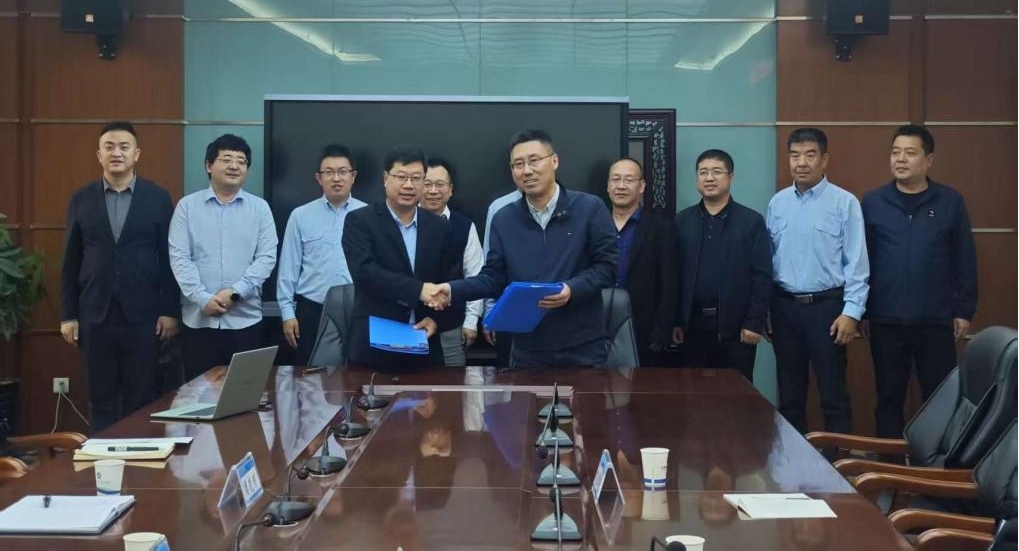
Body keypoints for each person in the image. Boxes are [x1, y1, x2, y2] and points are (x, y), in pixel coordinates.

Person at [430, 129, 617, 368]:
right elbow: (493, 277)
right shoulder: (504, 219)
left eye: (534, 160)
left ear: (554, 161)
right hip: (528, 349)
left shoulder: (589, 208)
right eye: (518, 164)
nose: (526, 170)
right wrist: (451, 289)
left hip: (583, 346)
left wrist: (571, 289)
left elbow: (608, 267)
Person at [59, 121, 179, 433]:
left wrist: (169, 310)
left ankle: (139, 459)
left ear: (136, 154)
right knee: (101, 399)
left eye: (124, 147)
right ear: (99, 155)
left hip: (144, 316)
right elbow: (71, 261)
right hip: (94, 314)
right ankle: (103, 458)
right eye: (109, 147)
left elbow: (169, 259)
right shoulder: (81, 199)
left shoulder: (157, 198)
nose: (116, 153)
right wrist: (69, 315)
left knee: (142, 397)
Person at [861, 124, 978, 439]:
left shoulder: (949, 201)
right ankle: (888, 465)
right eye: (895, 152)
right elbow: (862, 262)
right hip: (886, 320)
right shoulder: (873, 202)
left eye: (910, 153)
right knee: (888, 399)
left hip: (935, 320)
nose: (900, 159)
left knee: (940, 400)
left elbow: (965, 258)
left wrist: (964, 310)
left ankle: (935, 465)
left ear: (928, 160)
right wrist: (863, 311)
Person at [766, 127, 869, 435]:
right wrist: (766, 310)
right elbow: (769, 260)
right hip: (784, 308)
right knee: (789, 397)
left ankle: (838, 461)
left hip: (828, 310)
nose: (801, 163)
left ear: (824, 160)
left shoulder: (844, 202)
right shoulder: (778, 203)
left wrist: (852, 312)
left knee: (833, 396)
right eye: (795, 155)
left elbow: (857, 263)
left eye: (810, 155)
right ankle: (791, 461)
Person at [341, 146, 462, 369]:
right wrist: (418, 290)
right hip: (374, 350)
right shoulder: (360, 221)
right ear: (386, 178)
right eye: (401, 177)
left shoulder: (440, 228)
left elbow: (453, 282)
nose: (408, 185)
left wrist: (437, 320)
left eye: (416, 178)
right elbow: (364, 273)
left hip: (425, 348)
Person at [168, 134, 277, 380]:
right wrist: (202, 298)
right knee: (199, 395)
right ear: (208, 165)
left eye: (241, 161)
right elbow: (180, 257)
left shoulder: (260, 209)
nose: (234, 166)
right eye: (226, 159)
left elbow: (266, 258)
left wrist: (236, 293)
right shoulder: (187, 207)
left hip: (246, 321)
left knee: (245, 394)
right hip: (199, 321)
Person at [674, 149, 772, 381]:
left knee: (735, 396)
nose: (709, 178)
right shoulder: (682, 221)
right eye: (703, 172)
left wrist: (754, 322)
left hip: (736, 329)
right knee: (692, 395)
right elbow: (674, 276)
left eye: (716, 172)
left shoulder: (751, 221)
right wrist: (676, 321)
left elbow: (762, 276)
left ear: (731, 177)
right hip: (692, 327)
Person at [277, 144, 367, 365]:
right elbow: (288, 268)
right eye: (329, 172)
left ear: (353, 176)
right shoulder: (300, 216)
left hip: (358, 309)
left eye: (342, 171)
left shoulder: (369, 215)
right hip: (312, 311)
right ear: (319, 178)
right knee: (310, 378)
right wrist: (287, 313)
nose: (336, 178)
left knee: (357, 375)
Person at [605, 157, 679, 367]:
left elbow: (670, 283)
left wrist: (662, 331)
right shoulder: (594, 224)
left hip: (643, 328)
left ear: (641, 186)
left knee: (641, 386)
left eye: (629, 180)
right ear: (608, 186)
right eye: (615, 179)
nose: (621, 186)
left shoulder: (661, 227)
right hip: (596, 325)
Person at [419, 158, 484, 366]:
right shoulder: (404, 223)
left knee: (452, 382)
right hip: (411, 324)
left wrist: (471, 321)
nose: (433, 190)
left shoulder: (464, 226)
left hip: (452, 325)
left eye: (440, 184)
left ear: (450, 189)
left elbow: (475, 275)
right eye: (427, 184)